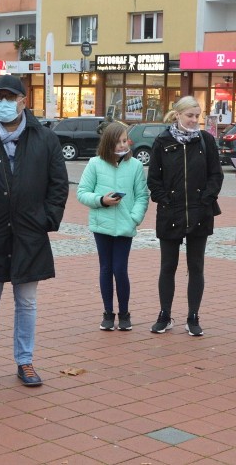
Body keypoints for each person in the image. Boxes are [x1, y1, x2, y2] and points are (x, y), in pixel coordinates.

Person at [0, 74, 69, 388]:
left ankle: (25, 360)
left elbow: (58, 185)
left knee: (27, 303)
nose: (4, 103)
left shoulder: (44, 138)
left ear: (23, 100)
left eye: (10, 97)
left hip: (29, 234)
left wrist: (46, 219)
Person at [146, 96, 223, 336]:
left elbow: (216, 175)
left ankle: (193, 316)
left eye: (197, 116)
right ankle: (165, 314)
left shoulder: (206, 140)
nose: (193, 120)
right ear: (177, 115)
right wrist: (165, 200)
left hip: (200, 212)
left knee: (196, 266)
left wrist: (205, 200)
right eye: (189, 115)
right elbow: (153, 180)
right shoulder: (162, 141)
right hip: (170, 212)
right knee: (168, 266)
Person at [77, 122, 149, 331]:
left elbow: (142, 196)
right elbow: (82, 192)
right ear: (108, 143)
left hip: (125, 227)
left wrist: (133, 218)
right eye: (117, 141)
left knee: (120, 269)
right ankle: (108, 313)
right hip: (102, 225)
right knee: (106, 269)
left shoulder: (135, 165)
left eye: (124, 141)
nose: (121, 145)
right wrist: (101, 200)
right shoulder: (95, 164)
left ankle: (124, 313)